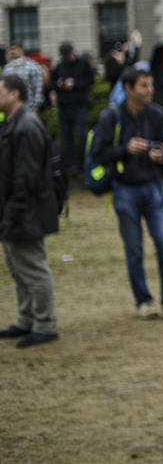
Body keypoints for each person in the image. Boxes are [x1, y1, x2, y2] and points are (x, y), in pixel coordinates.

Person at [92, 67, 163, 320]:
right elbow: (98, 154)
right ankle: (144, 301)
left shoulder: (157, 114)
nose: (150, 90)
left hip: (153, 187)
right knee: (134, 249)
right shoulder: (110, 117)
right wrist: (125, 149)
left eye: (150, 85)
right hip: (124, 190)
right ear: (128, 89)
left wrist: (161, 156)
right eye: (144, 86)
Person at [0, 74, 59, 348]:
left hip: (26, 211)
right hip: (15, 209)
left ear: (15, 94)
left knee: (33, 268)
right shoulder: (11, 123)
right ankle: (27, 319)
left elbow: (27, 177)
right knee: (18, 268)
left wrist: (14, 213)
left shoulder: (27, 126)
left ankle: (45, 324)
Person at [52, 41, 94, 173]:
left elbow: (90, 81)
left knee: (82, 136)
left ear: (72, 53)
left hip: (79, 105)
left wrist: (75, 84)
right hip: (64, 106)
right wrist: (58, 84)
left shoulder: (83, 64)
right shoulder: (60, 67)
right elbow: (52, 83)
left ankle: (85, 163)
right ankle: (72, 165)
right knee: (67, 137)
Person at [2, 42, 45, 110]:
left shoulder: (33, 66)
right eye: (10, 49)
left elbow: (38, 89)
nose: (11, 51)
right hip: (10, 110)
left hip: (28, 108)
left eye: (13, 49)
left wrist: (35, 107)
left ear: (21, 50)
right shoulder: (7, 68)